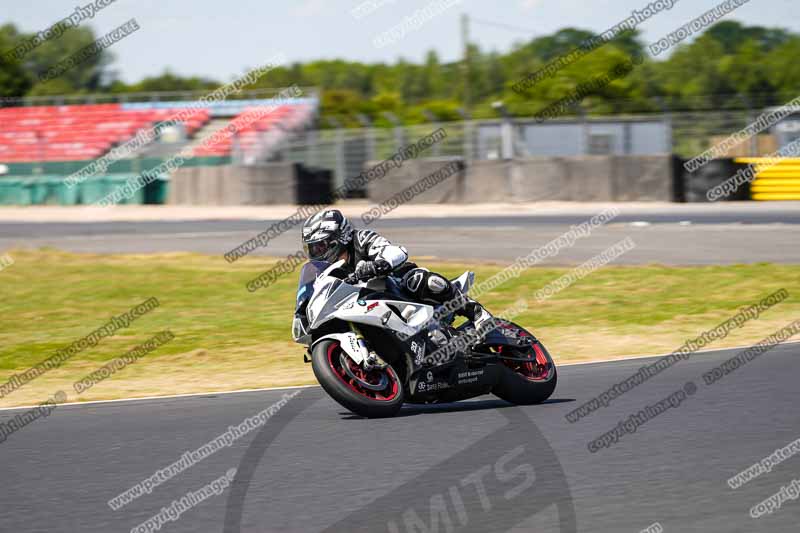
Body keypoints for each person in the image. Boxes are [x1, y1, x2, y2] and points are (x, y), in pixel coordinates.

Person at [300, 209, 482, 321]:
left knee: (418, 280)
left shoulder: (361, 239)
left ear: (338, 238)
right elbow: (317, 291)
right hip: (366, 305)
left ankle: (476, 313)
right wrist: (302, 312)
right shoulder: (328, 270)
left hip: (396, 286)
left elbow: (396, 251)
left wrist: (377, 265)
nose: (316, 253)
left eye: (320, 246)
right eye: (312, 249)